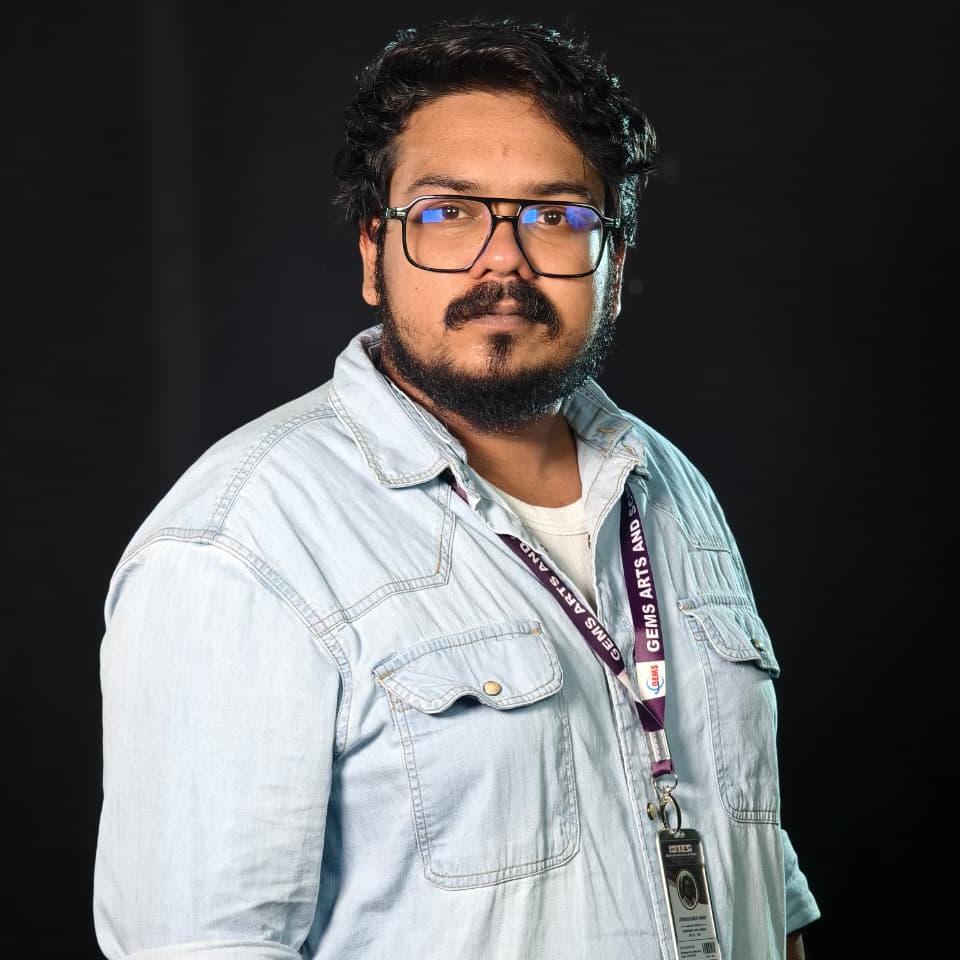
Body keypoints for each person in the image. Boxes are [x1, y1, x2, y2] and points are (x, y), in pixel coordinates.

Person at [93, 16, 821, 960]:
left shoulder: (670, 486)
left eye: (556, 216)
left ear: (616, 264)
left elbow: (759, 871)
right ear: (372, 253)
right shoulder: (241, 545)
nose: (503, 260)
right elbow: (199, 944)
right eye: (448, 214)